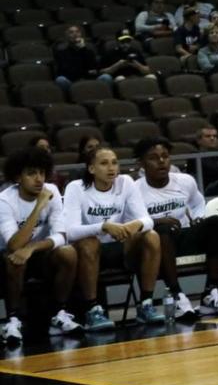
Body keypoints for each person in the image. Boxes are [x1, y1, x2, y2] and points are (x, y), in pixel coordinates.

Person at [62, 145, 161, 330]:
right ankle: (92, 310)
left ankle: (146, 304)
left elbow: (147, 219)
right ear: (91, 169)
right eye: (104, 163)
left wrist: (135, 225)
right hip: (88, 254)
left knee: (151, 236)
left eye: (115, 163)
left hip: (121, 248)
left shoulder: (125, 182)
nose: (111, 168)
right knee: (89, 242)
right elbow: (70, 231)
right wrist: (104, 227)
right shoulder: (76, 188)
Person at [1, 147, 80, 344]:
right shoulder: (4, 201)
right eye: (31, 173)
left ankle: (58, 314)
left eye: (42, 173)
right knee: (14, 259)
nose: (39, 179)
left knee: (68, 252)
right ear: (18, 177)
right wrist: (38, 207)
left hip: (39, 254)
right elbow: (14, 245)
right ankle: (12, 320)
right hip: (7, 259)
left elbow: (62, 235)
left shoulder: (52, 191)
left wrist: (32, 248)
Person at [133, 138, 218, 321]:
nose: (161, 161)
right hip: (157, 245)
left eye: (165, 156)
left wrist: (198, 217)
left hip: (184, 236)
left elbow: (198, 202)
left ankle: (212, 291)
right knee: (162, 231)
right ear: (141, 164)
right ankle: (178, 295)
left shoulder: (185, 181)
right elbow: (132, 223)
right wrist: (156, 221)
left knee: (216, 223)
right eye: (154, 158)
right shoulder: (134, 190)